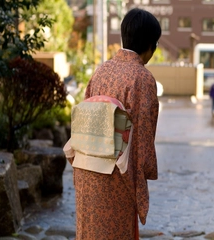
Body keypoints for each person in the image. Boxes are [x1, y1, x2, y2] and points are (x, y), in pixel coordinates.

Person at [64, 8, 161, 240]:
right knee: (115, 232)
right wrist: (145, 173)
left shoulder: (102, 70)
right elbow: (143, 137)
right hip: (116, 174)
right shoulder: (142, 78)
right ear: (150, 45)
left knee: (90, 232)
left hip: (87, 167)